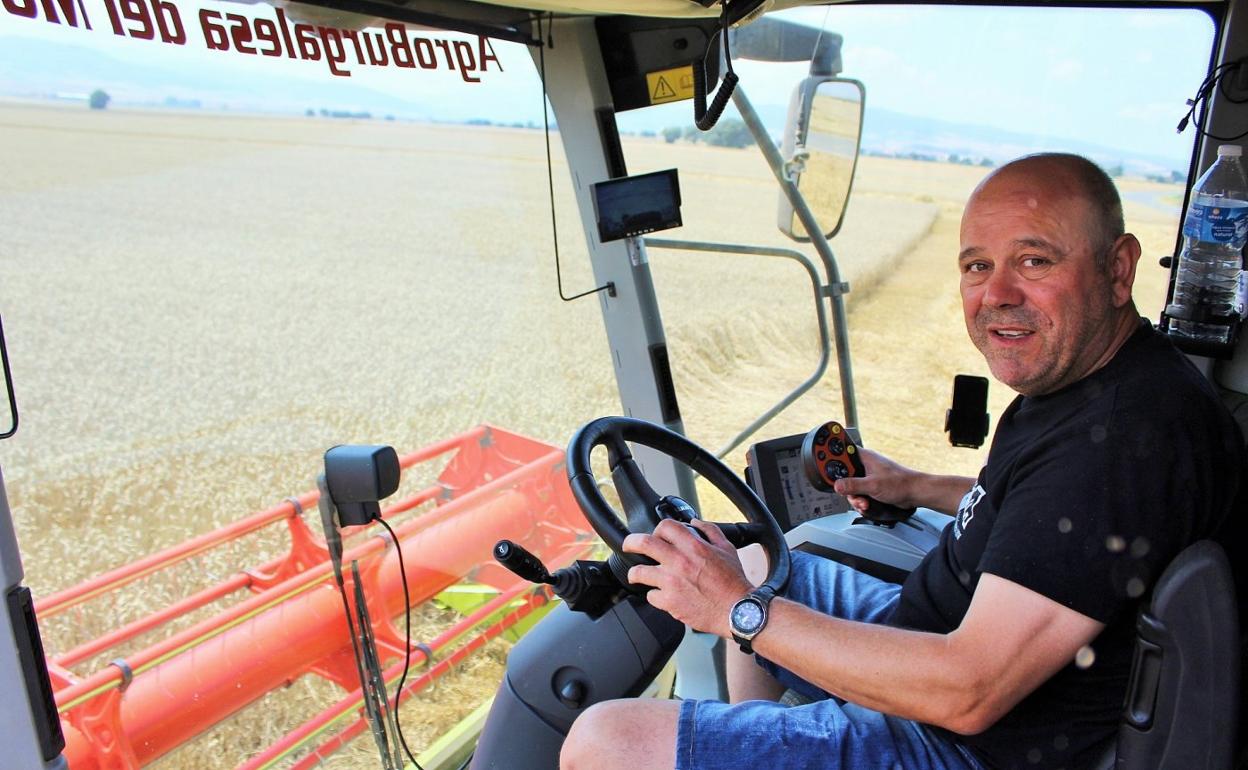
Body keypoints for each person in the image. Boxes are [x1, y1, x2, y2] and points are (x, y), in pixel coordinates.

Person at [558, 153, 1245, 770]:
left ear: (1118, 268)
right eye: (978, 265)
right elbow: (1040, 508)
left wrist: (740, 612)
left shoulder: (1124, 440)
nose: (997, 293)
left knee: (603, 742)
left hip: (964, 739)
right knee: (762, 563)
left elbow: (969, 690)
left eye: (1034, 260)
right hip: (935, 631)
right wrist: (913, 485)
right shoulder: (1104, 385)